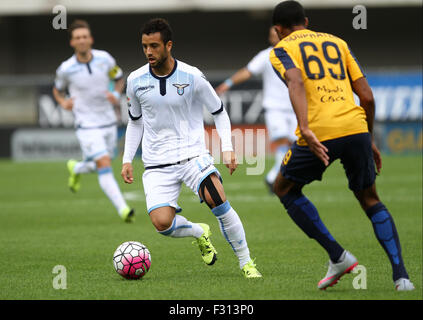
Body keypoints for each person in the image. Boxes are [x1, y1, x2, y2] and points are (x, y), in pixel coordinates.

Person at [270, 1, 414, 290]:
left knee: (283, 188)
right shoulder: (338, 42)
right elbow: (367, 97)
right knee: (370, 198)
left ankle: (338, 256)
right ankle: (402, 277)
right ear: (306, 21)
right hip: (355, 127)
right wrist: (369, 137)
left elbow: (295, 81)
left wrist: (306, 128)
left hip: (320, 132)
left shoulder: (281, 49)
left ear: (278, 29)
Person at [121, 18, 261, 278]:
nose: (149, 52)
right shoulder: (135, 80)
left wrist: (228, 148)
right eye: (144, 46)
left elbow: (219, 111)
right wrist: (127, 159)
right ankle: (199, 232)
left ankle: (246, 263)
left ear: (169, 45)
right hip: (156, 163)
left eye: (154, 46)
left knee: (216, 198)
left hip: (191, 155)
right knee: (162, 224)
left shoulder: (192, 76)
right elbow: (135, 121)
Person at [53, 20, 135, 223]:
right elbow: (57, 89)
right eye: (77, 37)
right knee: (104, 164)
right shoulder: (66, 69)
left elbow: (119, 77)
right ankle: (123, 209)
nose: (81, 40)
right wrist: (63, 103)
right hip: (86, 125)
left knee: (98, 164)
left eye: (84, 36)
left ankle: (76, 168)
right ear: (72, 42)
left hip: (108, 122)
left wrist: (116, 94)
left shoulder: (105, 59)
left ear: (90, 39)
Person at [215, 27, 297, 193]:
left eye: (274, 34)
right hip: (275, 107)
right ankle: (274, 177)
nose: (272, 38)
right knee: (282, 141)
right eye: (270, 35)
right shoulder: (266, 55)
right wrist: (229, 83)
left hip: (295, 106)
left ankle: (277, 176)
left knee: (294, 145)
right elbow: (248, 71)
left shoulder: (295, 53)